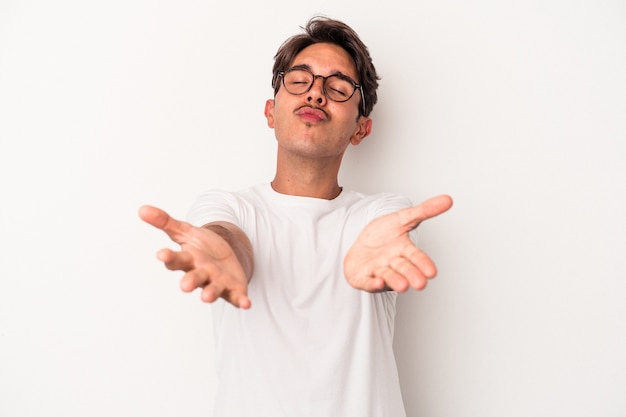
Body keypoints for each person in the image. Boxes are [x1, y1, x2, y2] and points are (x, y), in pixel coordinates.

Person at [139, 16, 453, 417]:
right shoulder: (229, 206)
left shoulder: (382, 214)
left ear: (361, 128)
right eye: (300, 80)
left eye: (338, 87)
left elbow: (385, 242)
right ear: (271, 111)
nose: (317, 94)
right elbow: (228, 237)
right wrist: (224, 250)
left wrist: (383, 257)